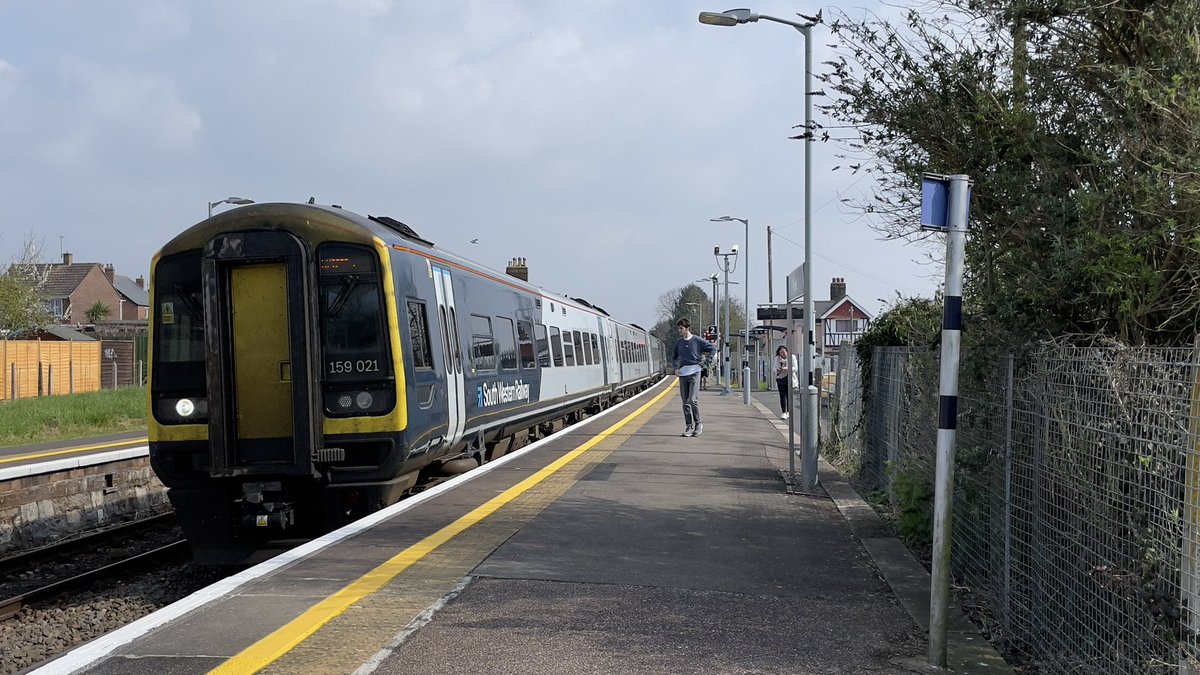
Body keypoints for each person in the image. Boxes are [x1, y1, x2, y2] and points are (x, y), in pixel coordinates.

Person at [672, 318, 715, 437]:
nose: (679, 331)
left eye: (681, 328)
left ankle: (698, 423)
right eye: (678, 328)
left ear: (687, 328)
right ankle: (689, 426)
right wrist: (675, 368)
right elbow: (674, 356)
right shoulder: (679, 343)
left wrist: (706, 362)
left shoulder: (697, 341)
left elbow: (712, 349)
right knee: (685, 401)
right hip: (683, 374)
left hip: (695, 372)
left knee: (692, 400)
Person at [774, 345, 798, 419]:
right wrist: (778, 369)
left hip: (789, 377)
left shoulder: (792, 357)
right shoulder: (777, 358)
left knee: (789, 395)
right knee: (782, 395)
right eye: (780, 352)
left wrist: (787, 368)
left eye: (783, 352)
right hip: (780, 378)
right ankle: (783, 412)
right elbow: (774, 368)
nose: (782, 354)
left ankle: (788, 411)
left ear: (787, 351)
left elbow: (795, 368)